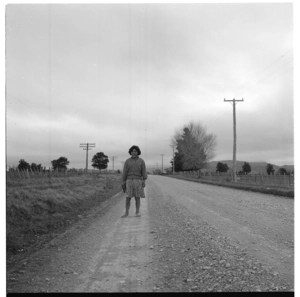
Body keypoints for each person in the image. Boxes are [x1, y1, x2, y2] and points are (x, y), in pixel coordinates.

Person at [121, 145, 147, 218]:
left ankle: (137, 212)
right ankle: (126, 212)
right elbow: (124, 172)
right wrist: (123, 181)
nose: (134, 152)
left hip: (138, 180)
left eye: (135, 151)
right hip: (129, 181)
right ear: (130, 152)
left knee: (137, 197)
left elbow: (144, 171)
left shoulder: (141, 161)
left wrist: (144, 181)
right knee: (128, 197)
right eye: (132, 151)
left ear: (138, 152)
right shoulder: (127, 161)